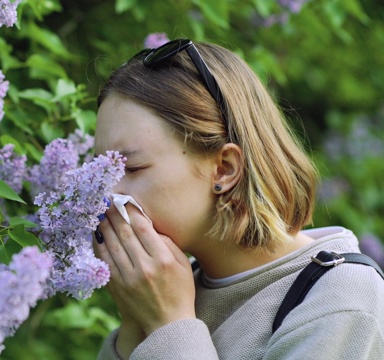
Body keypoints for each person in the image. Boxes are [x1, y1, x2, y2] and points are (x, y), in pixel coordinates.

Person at [92, 39, 384, 359]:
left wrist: (169, 324)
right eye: (101, 172)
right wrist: (137, 323)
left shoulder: (340, 303)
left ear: (224, 169)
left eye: (131, 167)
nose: (106, 194)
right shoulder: (171, 286)